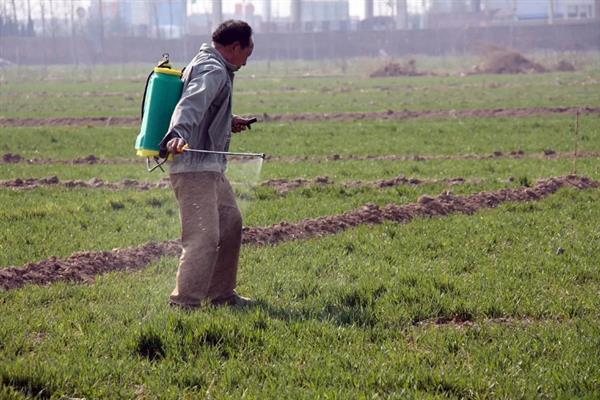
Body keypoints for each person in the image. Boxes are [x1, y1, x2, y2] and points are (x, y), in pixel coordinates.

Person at [161, 20, 255, 308]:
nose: (248, 59)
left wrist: (228, 121)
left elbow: (207, 108)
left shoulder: (212, 64)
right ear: (235, 47)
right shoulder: (212, 69)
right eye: (248, 51)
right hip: (194, 167)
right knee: (202, 236)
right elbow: (191, 103)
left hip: (209, 166)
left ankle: (222, 296)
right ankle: (184, 303)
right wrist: (177, 135)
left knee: (230, 223)